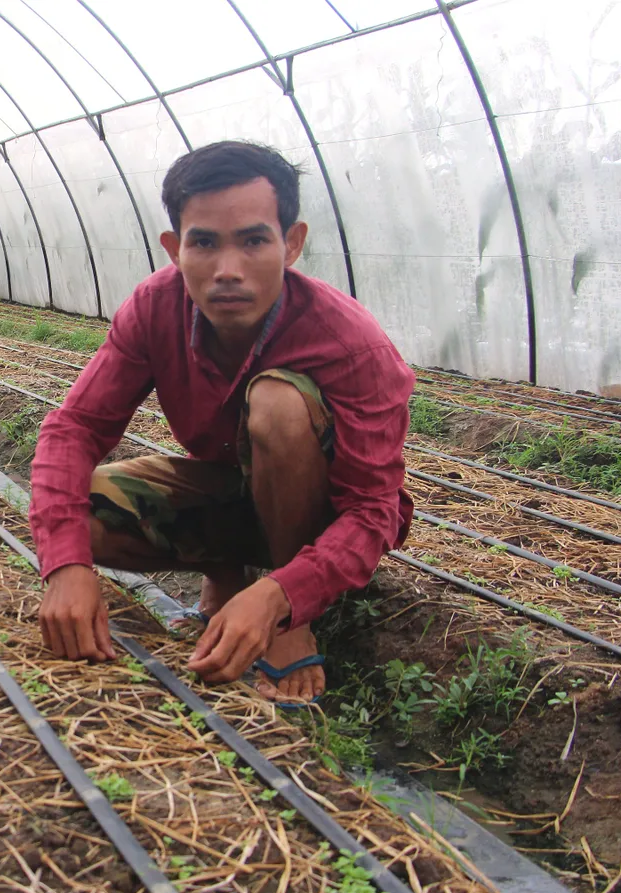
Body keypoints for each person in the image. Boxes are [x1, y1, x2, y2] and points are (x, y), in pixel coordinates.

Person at [29, 140, 415, 707]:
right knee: (77, 515)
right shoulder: (154, 308)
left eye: (254, 240)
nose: (227, 270)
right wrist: (65, 568)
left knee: (280, 405)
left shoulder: (349, 343)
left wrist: (284, 597)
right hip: (232, 491)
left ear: (292, 244)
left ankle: (287, 619)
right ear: (173, 249)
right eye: (204, 243)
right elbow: (75, 429)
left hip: (321, 511)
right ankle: (225, 570)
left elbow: (372, 510)